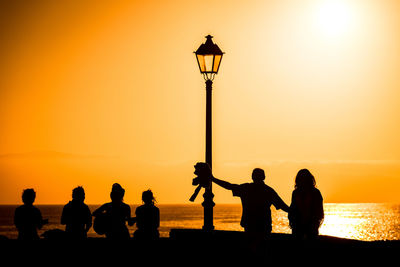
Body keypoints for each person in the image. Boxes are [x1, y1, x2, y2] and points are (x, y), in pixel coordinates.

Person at [211, 166, 289, 242]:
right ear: (264, 177)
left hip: (250, 225)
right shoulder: (268, 191)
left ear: (252, 177)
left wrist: (213, 179)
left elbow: (229, 186)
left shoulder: (246, 188)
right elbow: (283, 206)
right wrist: (295, 212)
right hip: (263, 225)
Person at [288, 169, 324, 240]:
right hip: (298, 225)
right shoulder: (296, 193)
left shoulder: (315, 193)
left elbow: (319, 211)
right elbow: (293, 208)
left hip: (310, 225)